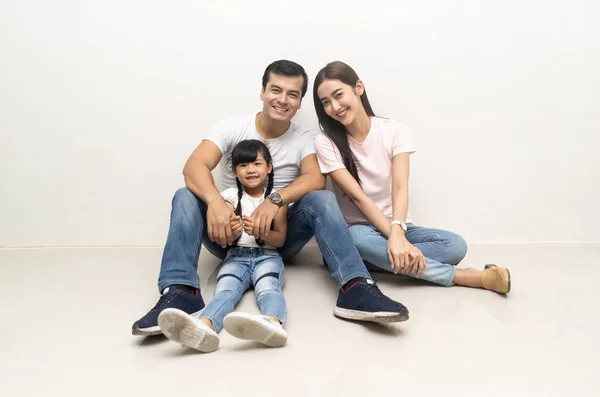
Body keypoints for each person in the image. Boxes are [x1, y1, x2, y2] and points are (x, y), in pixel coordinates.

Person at [132, 60, 408, 338]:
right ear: (262, 92)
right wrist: (216, 203)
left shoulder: (304, 138)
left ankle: (355, 287)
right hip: (227, 236)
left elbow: (315, 178)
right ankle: (180, 291)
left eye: (293, 94)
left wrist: (275, 199)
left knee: (322, 198)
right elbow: (193, 166)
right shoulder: (232, 127)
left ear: (300, 103)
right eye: (276, 90)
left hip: (279, 237)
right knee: (185, 195)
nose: (283, 100)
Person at [313, 61, 511, 294]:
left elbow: (400, 187)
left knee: (456, 246)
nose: (335, 107)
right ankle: (465, 276)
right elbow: (359, 199)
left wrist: (398, 235)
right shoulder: (325, 142)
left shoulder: (394, 130)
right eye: (326, 102)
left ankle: (370, 260)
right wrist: (398, 242)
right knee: (357, 239)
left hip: (399, 225)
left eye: (338, 95)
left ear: (358, 87)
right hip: (360, 230)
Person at [158, 140, 288, 352]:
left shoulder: (276, 200)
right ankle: (205, 326)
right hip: (235, 256)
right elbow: (226, 234)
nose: (251, 170)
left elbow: (280, 239)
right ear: (235, 172)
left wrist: (261, 232)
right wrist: (235, 231)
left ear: (269, 167)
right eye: (243, 166)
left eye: (256, 163)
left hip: (268, 256)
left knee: (268, 288)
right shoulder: (228, 196)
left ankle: (272, 324)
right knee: (225, 292)